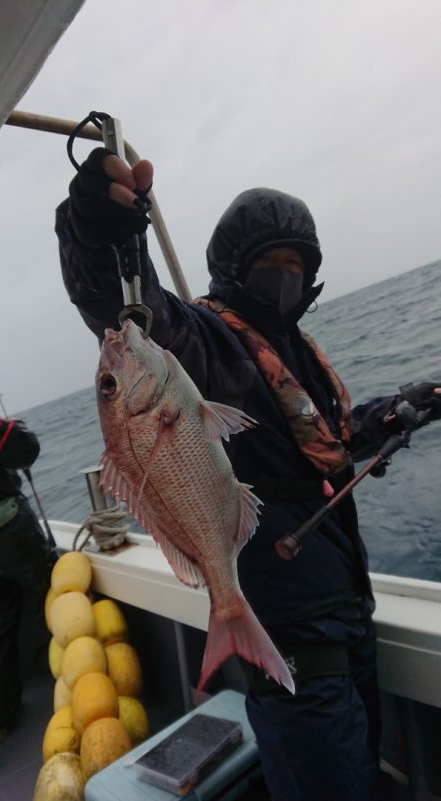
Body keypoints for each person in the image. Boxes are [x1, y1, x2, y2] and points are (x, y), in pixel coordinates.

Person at [55, 148, 441, 801]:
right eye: (273, 263)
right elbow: (131, 303)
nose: (286, 278)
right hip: (291, 631)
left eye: (297, 265)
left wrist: (398, 409)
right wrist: (93, 234)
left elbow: (326, 444)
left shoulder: (294, 352)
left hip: (346, 612)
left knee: (366, 768)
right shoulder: (205, 340)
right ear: (236, 267)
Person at [0, 411, 54, 744]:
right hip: (8, 531)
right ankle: (70, 685)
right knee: (50, 595)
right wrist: (19, 430)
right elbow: (22, 450)